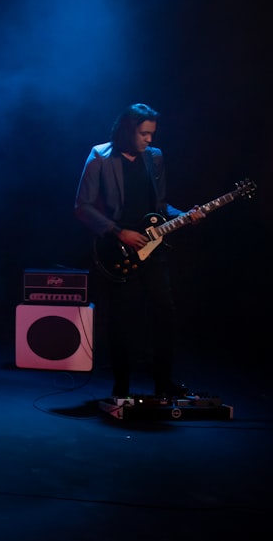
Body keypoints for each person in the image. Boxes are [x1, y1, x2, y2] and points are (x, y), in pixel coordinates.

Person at [74, 103, 205, 399]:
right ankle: (121, 386)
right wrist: (119, 231)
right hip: (117, 249)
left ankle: (163, 383)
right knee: (122, 319)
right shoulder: (100, 157)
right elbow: (82, 207)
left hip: (153, 247)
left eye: (152, 134)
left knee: (165, 314)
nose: (150, 140)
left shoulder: (154, 158)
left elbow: (160, 207)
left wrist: (185, 214)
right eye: (144, 134)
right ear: (126, 130)